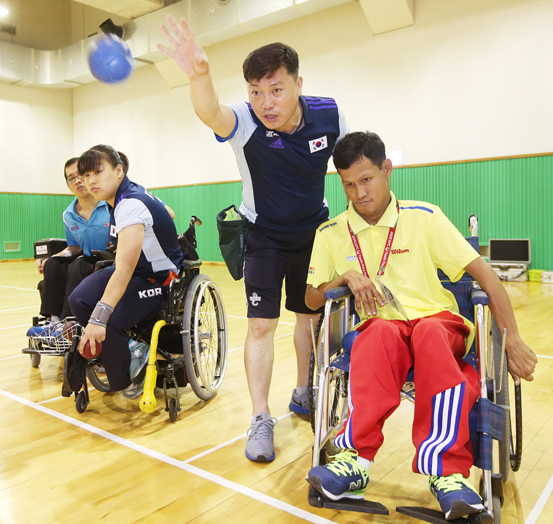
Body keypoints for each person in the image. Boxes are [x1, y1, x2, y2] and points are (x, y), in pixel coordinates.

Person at [304, 131, 537, 520]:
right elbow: (312, 298)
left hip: (437, 322)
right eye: (348, 184)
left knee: (428, 334)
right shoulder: (330, 233)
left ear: (387, 170)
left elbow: (488, 276)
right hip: (385, 328)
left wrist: (512, 338)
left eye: (367, 180)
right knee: (374, 333)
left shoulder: (424, 217)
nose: (359, 193)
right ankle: (354, 461)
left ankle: (446, 471)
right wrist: (343, 277)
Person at [158, 16, 349, 462]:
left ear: (298, 84)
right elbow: (211, 112)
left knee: (311, 319)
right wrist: (198, 75)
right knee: (262, 325)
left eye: (276, 89)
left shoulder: (330, 114)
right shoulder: (244, 122)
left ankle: (304, 392)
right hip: (262, 235)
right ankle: (260, 418)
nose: (266, 102)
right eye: (256, 92)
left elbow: (349, 171)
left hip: (314, 233)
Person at [68, 145, 183, 399]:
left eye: (97, 172)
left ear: (119, 171)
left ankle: (125, 380)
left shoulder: (129, 203)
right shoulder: (126, 195)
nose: (90, 181)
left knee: (112, 320)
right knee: (78, 299)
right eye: (86, 175)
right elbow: (170, 213)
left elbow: (125, 268)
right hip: (135, 273)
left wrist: (98, 320)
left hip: (159, 278)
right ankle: (128, 347)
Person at [34, 157, 110, 324]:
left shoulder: (110, 204)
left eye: (81, 174)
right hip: (86, 258)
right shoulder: (68, 214)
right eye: (71, 178)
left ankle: (69, 321)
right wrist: (54, 257)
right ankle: (53, 320)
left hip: (108, 260)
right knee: (54, 263)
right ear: (68, 185)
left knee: (78, 264)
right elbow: (74, 246)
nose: (77, 181)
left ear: (90, 176)